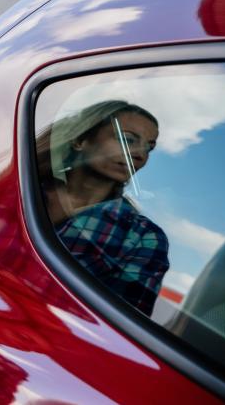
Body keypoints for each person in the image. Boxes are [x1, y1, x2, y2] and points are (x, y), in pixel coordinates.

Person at [36, 100, 170, 316]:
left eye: (149, 147)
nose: (140, 155)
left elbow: (115, 327)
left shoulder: (143, 238)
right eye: (127, 139)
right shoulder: (17, 187)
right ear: (81, 140)